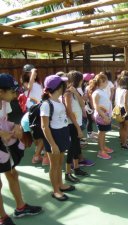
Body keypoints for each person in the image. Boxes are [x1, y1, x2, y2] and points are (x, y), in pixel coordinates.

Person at [0, 74, 42, 225]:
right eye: (12, 91)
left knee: (12, 173)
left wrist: (15, 127)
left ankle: (20, 207)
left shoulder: (5, 102)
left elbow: (4, 120)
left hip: (4, 145)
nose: (15, 94)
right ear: (0, 91)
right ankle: (3, 217)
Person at [40, 75, 75, 201]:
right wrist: (53, 144)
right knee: (54, 166)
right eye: (63, 85)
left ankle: (60, 184)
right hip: (53, 137)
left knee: (59, 163)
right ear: (59, 87)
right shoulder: (46, 104)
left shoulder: (59, 101)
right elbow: (44, 127)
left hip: (62, 134)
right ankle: (55, 190)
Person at [64, 71, 89, 183]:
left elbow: (83, 105)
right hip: (72, 124)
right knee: (72, 148)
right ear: (78, 80)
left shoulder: (75, 92)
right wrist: (78, 128)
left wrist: (77, 94)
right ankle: (68, 172)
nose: (82, 81)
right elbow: (69, 112)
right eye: (81, 80)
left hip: (77, 123)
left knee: (76, 147)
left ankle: (77, 168)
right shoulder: (67, 94)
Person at [90, 74, 114, 159]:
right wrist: (104, 116)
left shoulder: (102, 91)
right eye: (106, 81)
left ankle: (103, 147)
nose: (108, 83)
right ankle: (101, 151)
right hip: (101, 116)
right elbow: (96, 107)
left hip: (105, 115)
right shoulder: (96, 93)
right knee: (101, 133)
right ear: (102, 82)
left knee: (103, 132)